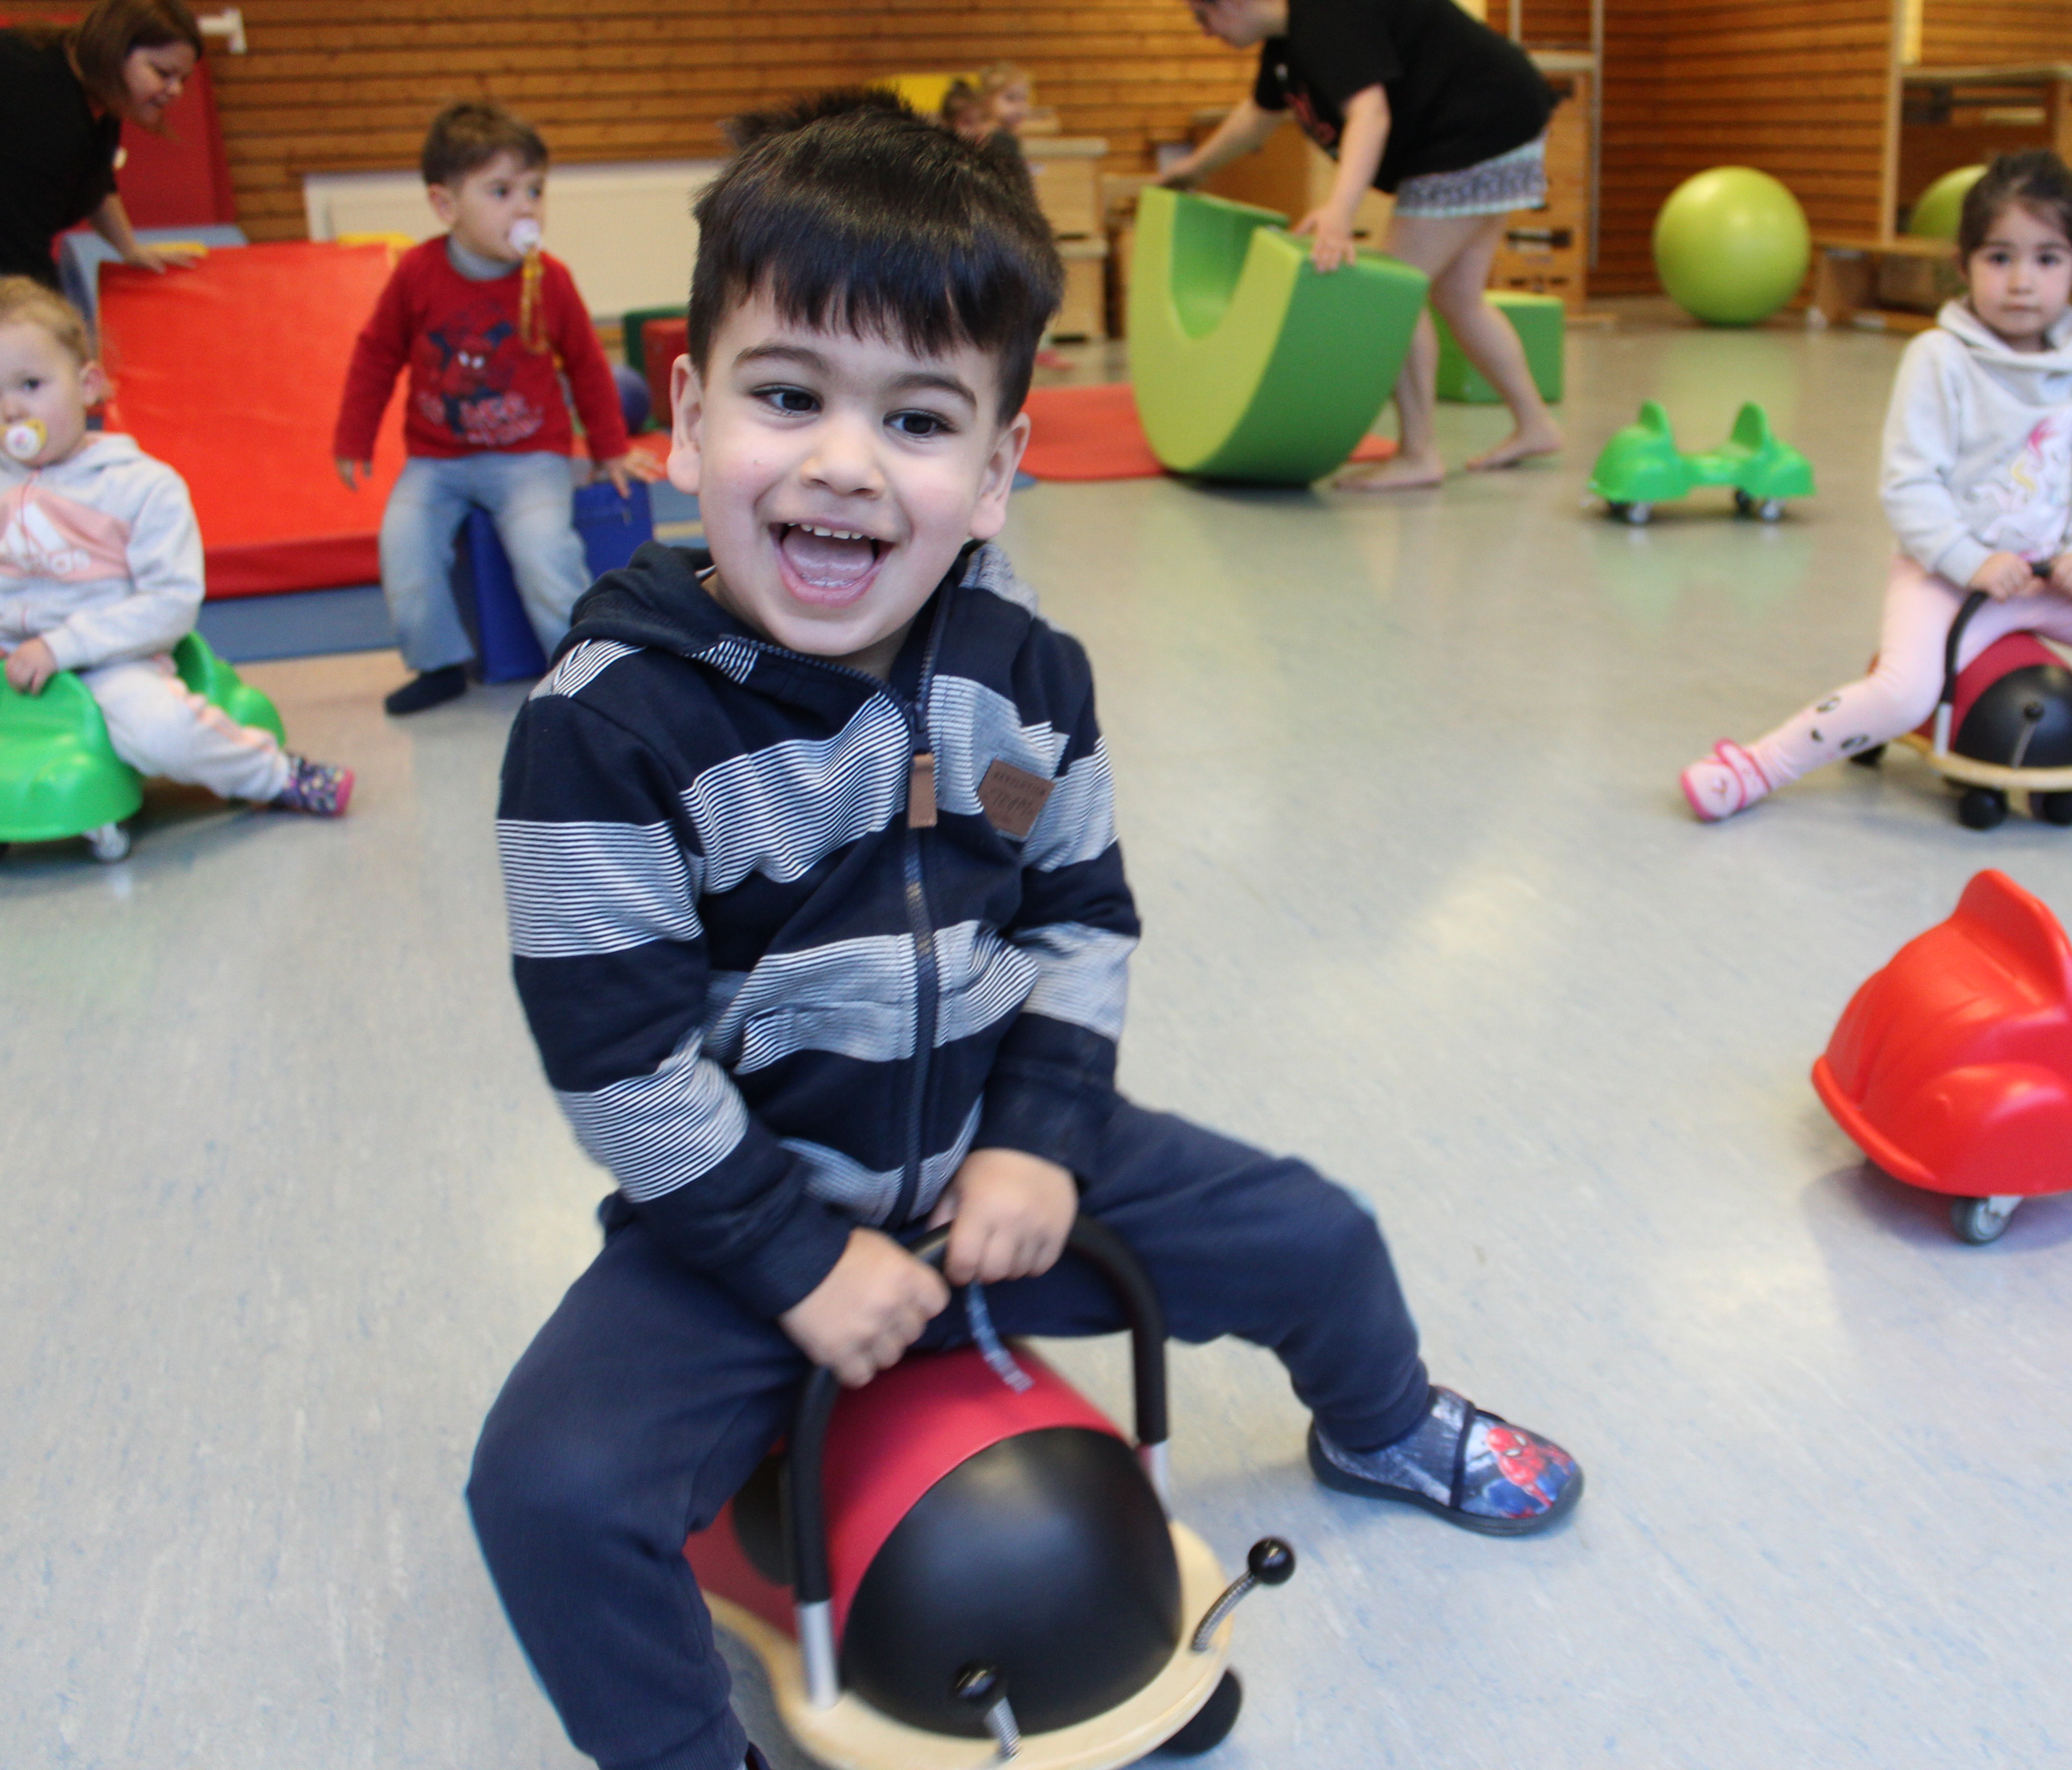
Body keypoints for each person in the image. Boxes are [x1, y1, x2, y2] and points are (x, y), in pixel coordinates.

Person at [466, 104, 1581, 1770]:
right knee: (542, 1493)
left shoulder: (1027, 670)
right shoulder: (601, 726)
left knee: (1318, 1233)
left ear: (995, 473)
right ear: (684, 418)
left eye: (916, 420)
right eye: (787, 396)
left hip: (1002, 1158)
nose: (845, 463)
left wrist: (1045, 1140)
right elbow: (614, 1052)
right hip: (750, 1218)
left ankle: (1384, 1425)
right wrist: (789, 1257)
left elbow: (1078, 913)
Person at [1679, 151, 2072, 823]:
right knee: (1902, 695)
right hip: (1944, 578)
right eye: (1999, 257)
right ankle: (1756, 766)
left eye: (2047, 259)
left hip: (2048, 579)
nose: (2021, 282)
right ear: (1965, 265)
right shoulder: (1939, 359)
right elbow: (1909, 486)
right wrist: (1971, 562)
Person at [0, 277, 352, 816]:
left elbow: (170, 603)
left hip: (106, 663)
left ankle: (275, 774)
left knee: (162, 732)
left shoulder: (141, 485)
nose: (11, 411)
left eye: (32, 384)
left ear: (87, 385)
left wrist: (63, 646)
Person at [331, 101, 658, 718]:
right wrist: (354, 437)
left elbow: (588, 364)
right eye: (502, 191)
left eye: (535, 190)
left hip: (528, 456)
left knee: (546, 551)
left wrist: (610, 450)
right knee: (405, 546)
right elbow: (376, 354)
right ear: (446, 205)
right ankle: (438, 664)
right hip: (439, 458)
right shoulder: (418, 275)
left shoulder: (548, 279)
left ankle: (576, 668)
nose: (526, 207)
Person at [1160, 0, 1561, 489]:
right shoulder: (1287, 45)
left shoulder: (1326, 16)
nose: (1205, 32)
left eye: (1205, 17)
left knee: (1389, 297)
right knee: (1459, 296)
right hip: (1502, 118)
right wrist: (1194, 169)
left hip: (1475, 126)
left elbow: (1370, 114)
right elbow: (1259, 116)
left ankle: (1419, 454)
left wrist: (1339, 212)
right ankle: (1535, 424)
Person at [0, 0, 209, 478]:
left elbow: (95, 179)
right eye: (162, 73)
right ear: (114, 52)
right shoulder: (43, 106)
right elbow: (23, 250)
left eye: (183, 79)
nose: (174, 90)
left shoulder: (91, 95)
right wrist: (69, 352)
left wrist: (129, 248)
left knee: (29, 345)